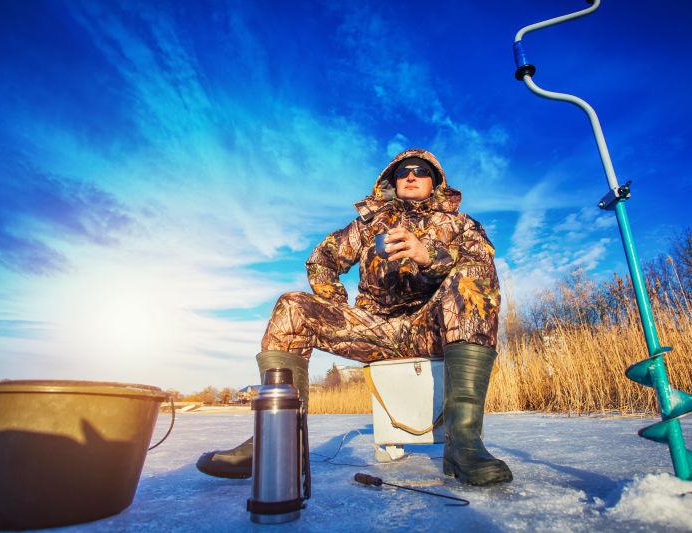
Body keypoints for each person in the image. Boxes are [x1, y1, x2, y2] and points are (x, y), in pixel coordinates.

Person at [197, 149, 512, 486]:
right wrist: (339, 304)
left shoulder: (462, 224)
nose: (410, 176)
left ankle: (463, 442)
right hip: (375, 329)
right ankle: (277, 440)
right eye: (403, 171)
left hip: (437, 329)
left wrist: (427, 254)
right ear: (391, 181)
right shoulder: (368, 225)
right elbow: (322, 260)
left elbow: (481, 266)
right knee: (292, 307)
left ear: (434, 182)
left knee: (473, 275)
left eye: (420, 171)